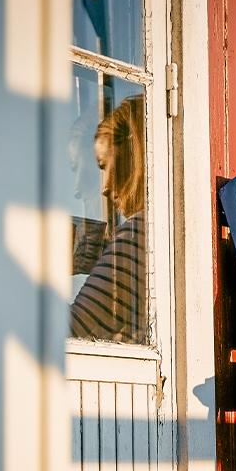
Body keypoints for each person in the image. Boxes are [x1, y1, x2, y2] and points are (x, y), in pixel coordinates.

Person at [70, 95, 147, 343]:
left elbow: (70, 330)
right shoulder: (152, 233)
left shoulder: (137, 233)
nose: (104, 188)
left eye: (103, 165)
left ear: (132, 157)